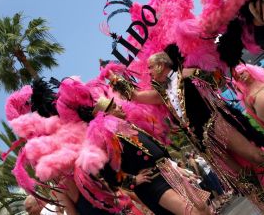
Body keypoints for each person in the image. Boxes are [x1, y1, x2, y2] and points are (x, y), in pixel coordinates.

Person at [109, 45, 264, 210]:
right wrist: (114, 78)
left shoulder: (186, 74)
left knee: (255, 156)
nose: (149, 72)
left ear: (162, 64)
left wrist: (191, 72)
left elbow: (215, 80)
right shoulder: (163, 93)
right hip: (204, 144)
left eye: (151, 67)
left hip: (217, 125)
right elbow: (135, 96)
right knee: (242, 178)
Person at [79, 96, 211, 215]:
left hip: (169, 172)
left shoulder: (131, 127)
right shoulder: (107, 141)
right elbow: (109, 174)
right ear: (106, 116)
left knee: (203, 209)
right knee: (190, 212)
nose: (119, 106)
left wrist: (176, 167)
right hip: (152, 183)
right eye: (114, 107)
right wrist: (133, 180)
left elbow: (159, 151)